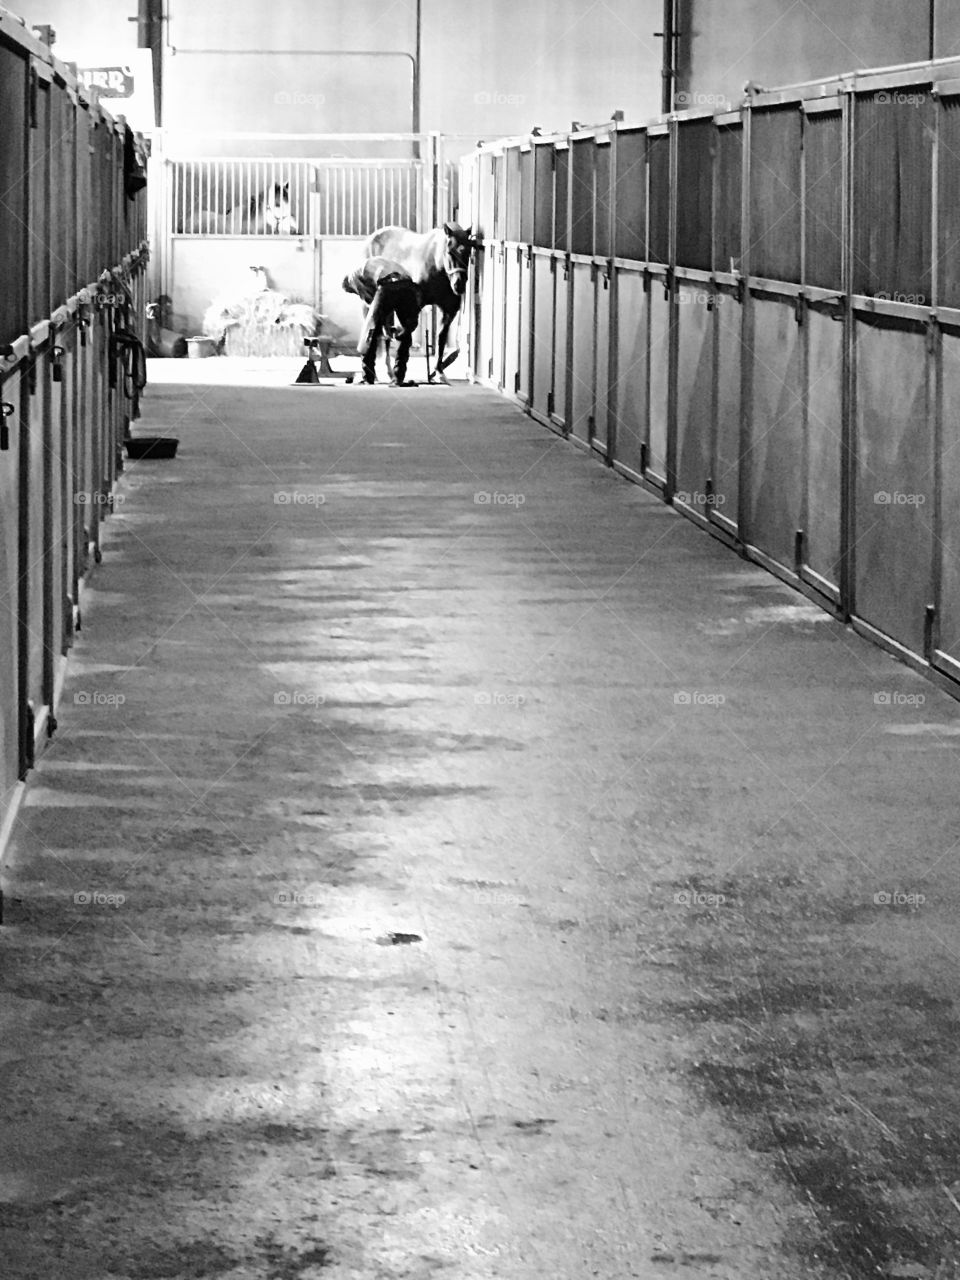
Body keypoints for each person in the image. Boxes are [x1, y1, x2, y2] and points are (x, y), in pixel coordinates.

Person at [342, 257, 422, 385]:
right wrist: (388, 325)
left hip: (387, 286)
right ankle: (398, 378)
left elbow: (372, 303)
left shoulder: (352, 278)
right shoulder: (377, 263)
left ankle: (368, 377)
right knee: (404, 332)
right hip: (410, 287)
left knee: (370, 331)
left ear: (349, 286)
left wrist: (383, 326)